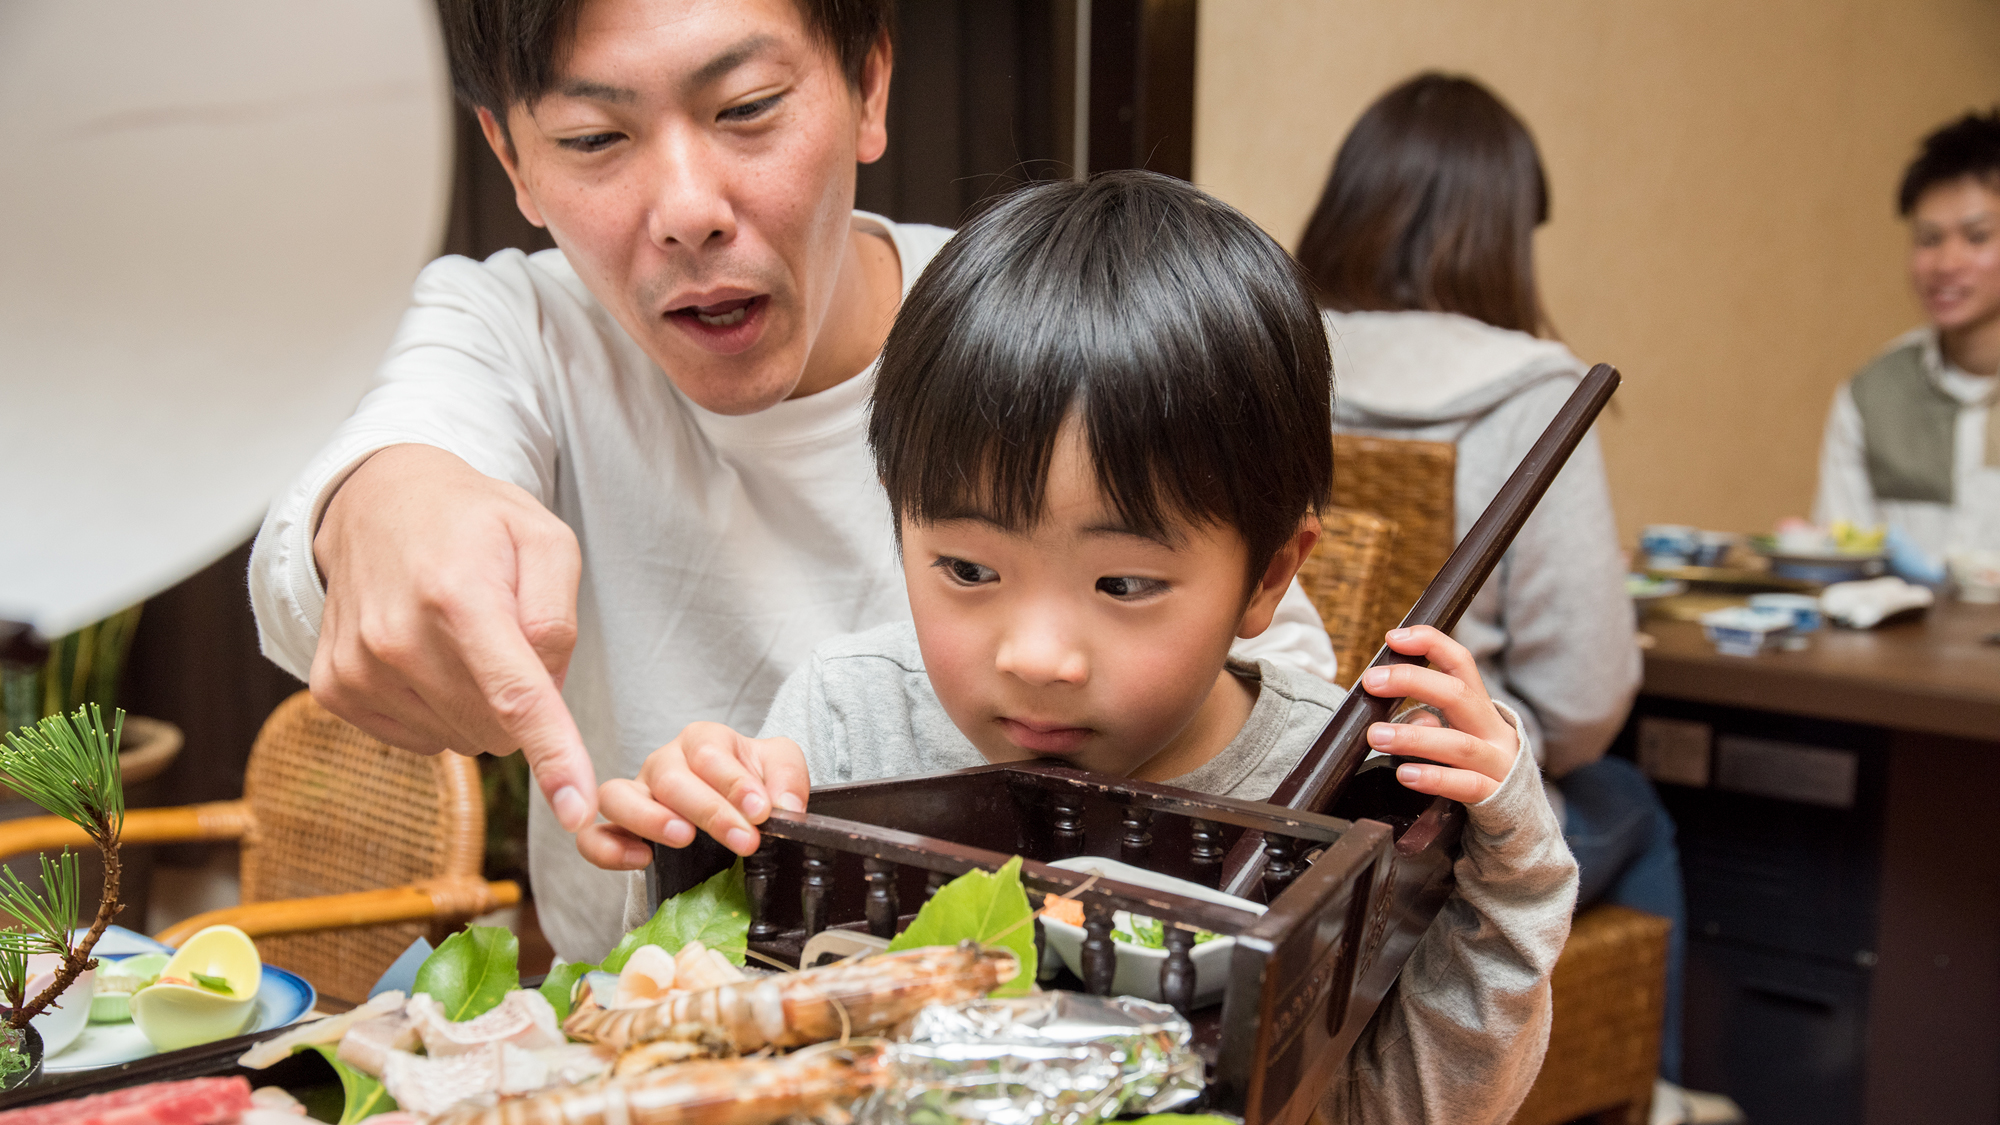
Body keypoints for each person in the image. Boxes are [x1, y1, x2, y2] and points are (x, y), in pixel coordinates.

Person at [246, 0, 1334, 962]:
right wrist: (385, 506)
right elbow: (360, 495)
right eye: (592, 137)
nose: (688, 209)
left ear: (867, 84)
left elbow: (1256, 706)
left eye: (748, 107)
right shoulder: (518, 329)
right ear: (512, 159)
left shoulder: (1018, 337)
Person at [586, 172, 1579, 1125]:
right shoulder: (848, 724)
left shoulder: (1338, 795)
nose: (1037, 657)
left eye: (1123, 585)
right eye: (968, 571)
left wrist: (1511, 876)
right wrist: (704, 855)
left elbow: (1391, 1111)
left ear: (1269, 577)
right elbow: (702, 1058)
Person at [1293, 73, 1716, 1119]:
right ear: (1502, 231)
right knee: (1632, 801)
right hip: (1440, 802)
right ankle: (1648, 1093)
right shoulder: (1537, 394)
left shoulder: (1273, 354)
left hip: (1291, 775)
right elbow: (1579, 700)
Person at [1814, 108, 2000, 571]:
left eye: (1977, 237)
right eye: (1929, 239)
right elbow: (1841, 563)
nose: (1946, 263)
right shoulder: (1872, 395)